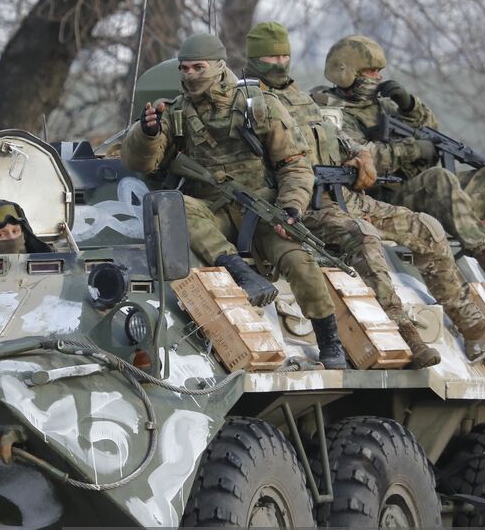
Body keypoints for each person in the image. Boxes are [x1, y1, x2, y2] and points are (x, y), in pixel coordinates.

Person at [243, 22, 485, 366]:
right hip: (303, 205)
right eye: (270, 56)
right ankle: (407, 335)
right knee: (364, 238)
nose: (279, 62)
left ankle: (475, 330)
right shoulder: (249, 101)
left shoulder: (297, 96)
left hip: (343, 194)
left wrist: (357, 152)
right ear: (253, 58)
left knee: (426, 227)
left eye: (284, 55)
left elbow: (331, 135)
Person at [121, 32, 349, 370]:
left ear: (218, 66)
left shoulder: (259, 105)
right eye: (184, 68)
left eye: (199, 67)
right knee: (172, 204)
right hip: (212, 211)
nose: (190, 75)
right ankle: (240, 272)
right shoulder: (176, 113)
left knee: (301, 264)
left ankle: (330, 341)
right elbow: (141, 163)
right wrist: (147, 133)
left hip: (263, 210)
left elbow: (295, 164)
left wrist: (291, 209)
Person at [309, 36, 485, 289]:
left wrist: (409, 104)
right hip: (384, 199)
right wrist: (412, 151)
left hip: (430, 194)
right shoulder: (328, 111)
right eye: (370, 71)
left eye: (379, 71)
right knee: (439, 178)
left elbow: (428, 128)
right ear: (346, 73)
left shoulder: (381, 104)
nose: (377, 76)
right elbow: (359, 159)